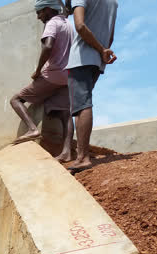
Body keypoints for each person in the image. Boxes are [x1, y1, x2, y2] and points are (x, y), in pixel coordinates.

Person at [9, 0, 73, 162]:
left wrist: (37, 70)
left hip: (51, 75)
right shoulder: (67, 23)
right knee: (65, 114)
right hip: (67, 76)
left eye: (39, 12)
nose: (38, 17)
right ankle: (66, 152)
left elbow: (48, 46)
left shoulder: (52, 23)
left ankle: (32, 129)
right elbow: (65, 9)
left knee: (16, 100)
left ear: (47, 9)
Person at [65, 0, 118, 172]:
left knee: (82, 105)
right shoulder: (113, 2)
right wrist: (102, 50)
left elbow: (79, 26)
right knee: (83, 104)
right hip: (97, 60)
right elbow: (111, 36)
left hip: (81, 58)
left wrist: (100, 49)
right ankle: (82, 155)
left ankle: (83, 158)